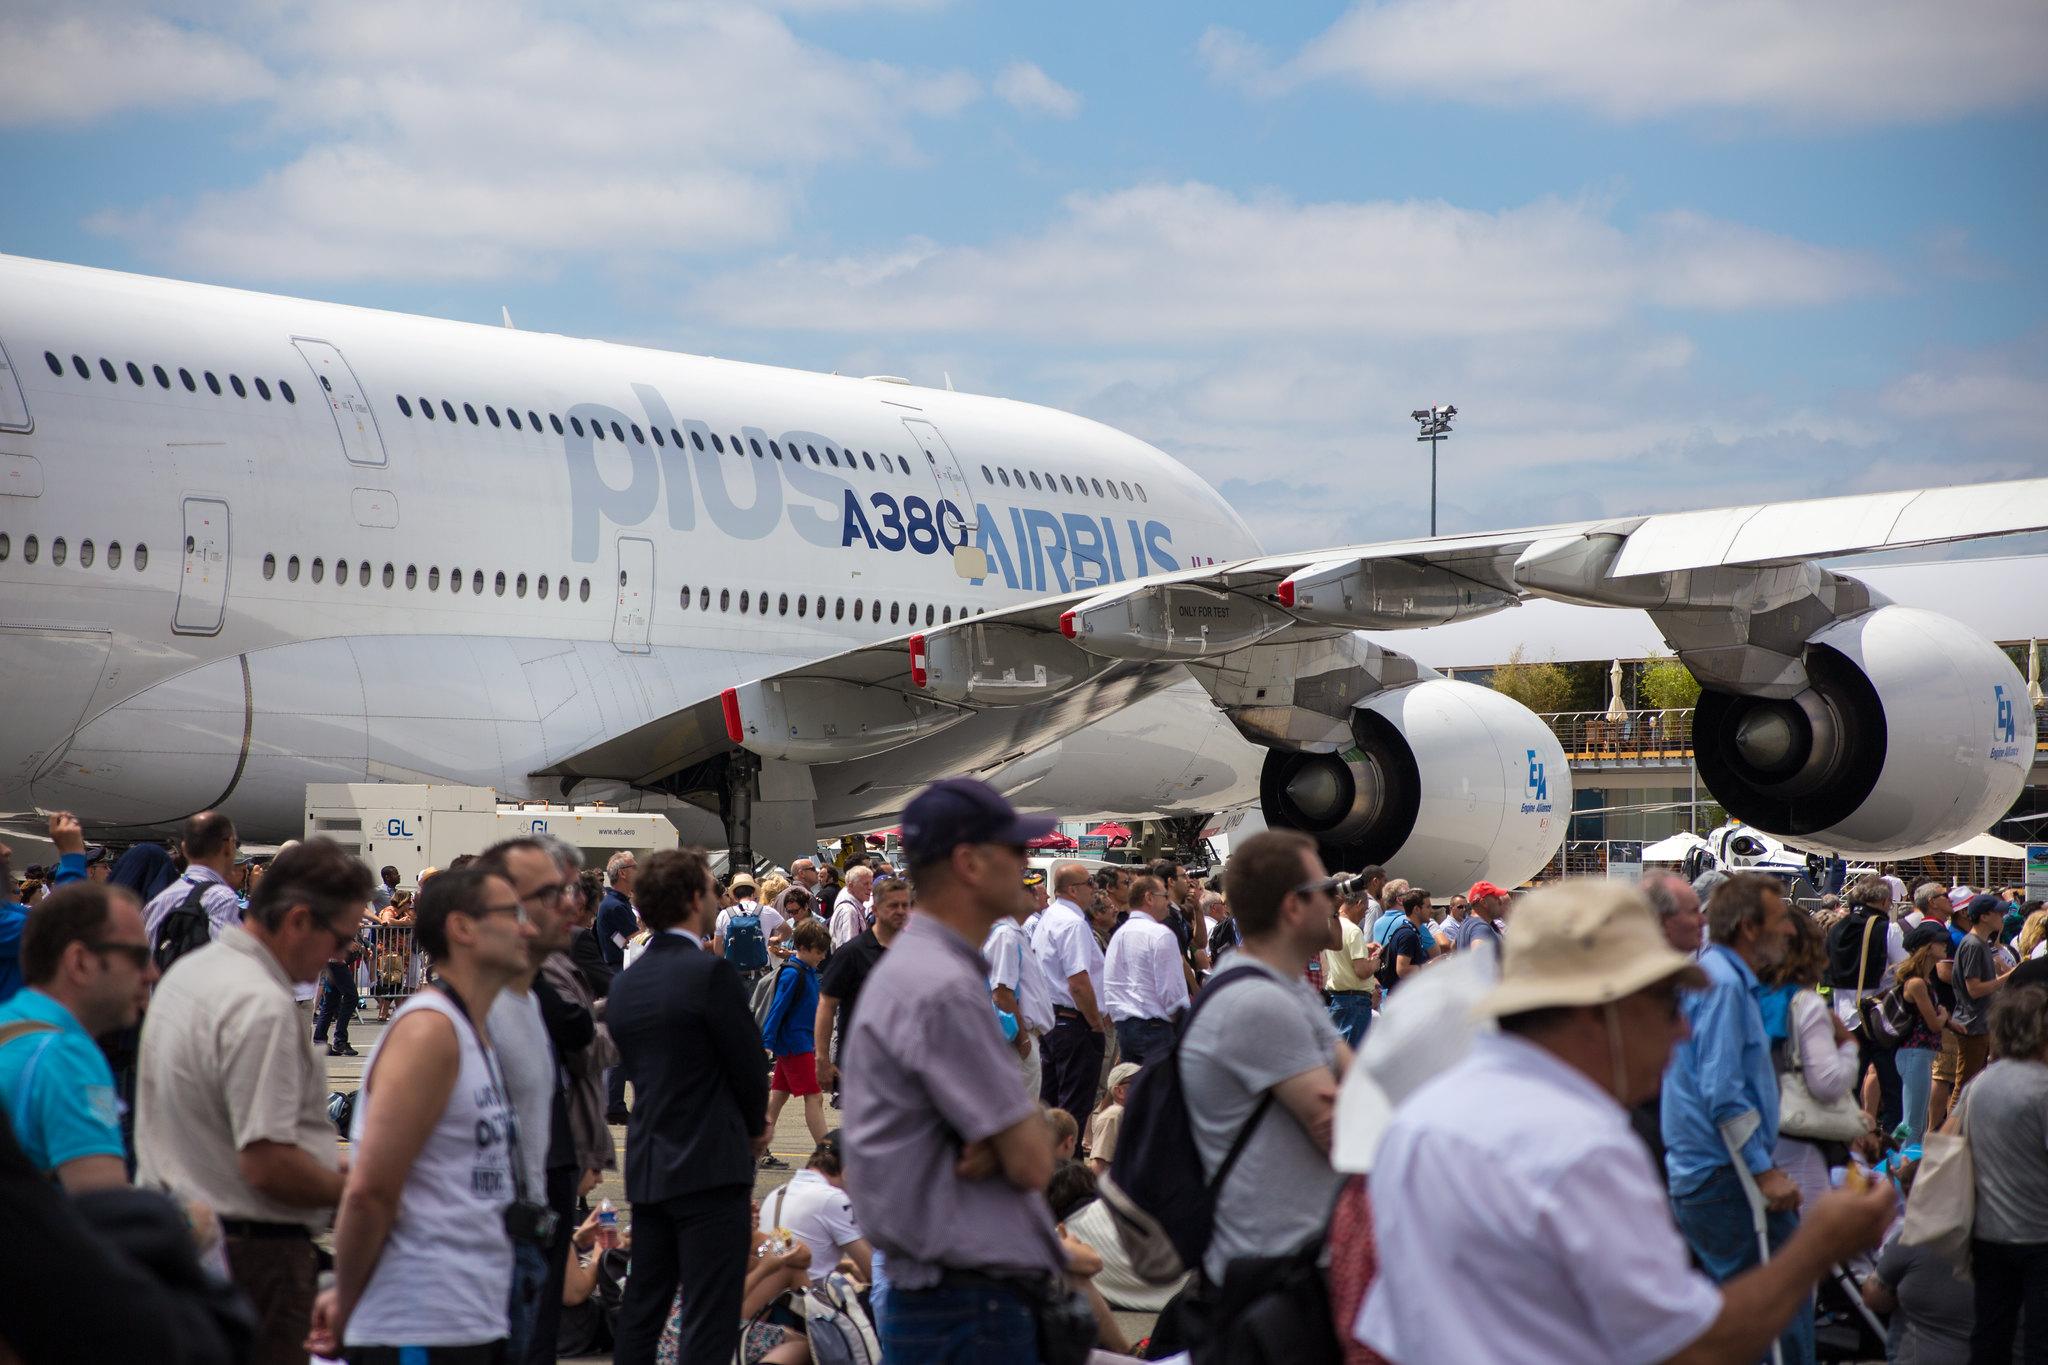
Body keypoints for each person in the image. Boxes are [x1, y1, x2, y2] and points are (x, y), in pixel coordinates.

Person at [1360, 881, 1898, 1364]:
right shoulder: (1583, 1149)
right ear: (1601, 1010)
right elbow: (1693, 1347)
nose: (1684, 1029)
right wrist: (1817, 1249)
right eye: (1666, 1002)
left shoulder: (1424, 1117)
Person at [842, 777, 1065, 1362]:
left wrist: (1003, 1136)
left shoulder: (925, 968)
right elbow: (1035, 1160)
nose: (1028, 864)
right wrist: (1018, 1133)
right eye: (1015, 850)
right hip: (967, 1303)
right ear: (968, 862)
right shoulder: (943, 987)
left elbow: (1014, 1147)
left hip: (949, 1296)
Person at [139, 838, 372, 1365]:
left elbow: (221, 1135)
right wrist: (363, 1190)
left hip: (187, 1243)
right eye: (341, 939)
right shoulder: (260, 1005)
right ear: (297, 921)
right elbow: (267, 1164)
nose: (342, 955)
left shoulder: (192, 975)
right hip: (252, 1258)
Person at [305, 865, 535, 1363]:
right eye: (510, 914)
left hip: (470, 1313)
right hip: (420, 1320)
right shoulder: (427, 1032)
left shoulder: (471, 1026)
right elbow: (370, 1190)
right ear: (462, 928)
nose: (528, 927)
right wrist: (347, 1297)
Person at [605, 848, 771, 1365]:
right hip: (711, 1160)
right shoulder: (710, 973)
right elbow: (747, 1063)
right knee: (709, 1309)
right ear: (695, 898)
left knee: (644, 1305)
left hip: (651, 1160)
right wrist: (753, 1128)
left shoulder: (628, 982)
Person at [1180, 829, 1350, 1291]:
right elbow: (1341, 1126)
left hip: (1291, 1261)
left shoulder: (1286, 986)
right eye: (1326, 891)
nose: (1335, 901)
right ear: (1293, 906)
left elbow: (1355, 1078)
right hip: (1271, 1277)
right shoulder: (1258, 1003)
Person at [1661, 872, 1812, 1365]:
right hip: (1725, 1174)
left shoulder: (1720, 976)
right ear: (1749, 928)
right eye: (1780, 920)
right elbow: (1721, 1090)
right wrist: (1763, 1170)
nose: (1790, 931)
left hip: (1715, 1171)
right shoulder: (1724, 984)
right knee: (1774, 1321)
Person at [473, 838, 583, 1365]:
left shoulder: (528, 1006)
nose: (570, 904)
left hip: (521, 1254)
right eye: (550, 893)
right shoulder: (451, 1021)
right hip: (469, 1279)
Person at [0, 882, 155, 1190]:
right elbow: (109, 1215)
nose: (152, 973)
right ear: (80, 962)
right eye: (138, 956)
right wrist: (188, 1222)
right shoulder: (68, 1056)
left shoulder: (11, 1023)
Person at [1756, 909, 1861, 1212]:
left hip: (1754, 1137)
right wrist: (1848, 1047)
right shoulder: (1805, 1004)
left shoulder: (1747, 993)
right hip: (1797, 1137)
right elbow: (1827, 1083)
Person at [1824, 874, 1905, 1136]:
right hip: (1875, 1015)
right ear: (1883, 901)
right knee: (1892, 1085)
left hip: (1842, 1015)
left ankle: (1845, 1138)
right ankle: (1892, 1141)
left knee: (1848, 1086)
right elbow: (1904, 966)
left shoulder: (1837, 927)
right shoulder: (1886, 928)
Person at [815, 876, 911, 1098]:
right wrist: (822, 1058)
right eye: (893, 905)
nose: (900, 911)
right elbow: (827, 1005)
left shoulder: (914, 950)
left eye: (904, 905)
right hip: (860, 1063)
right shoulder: (852, 953)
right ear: (875, 909)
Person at [1034, 859, 1109, 1136]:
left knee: (1053, 1107)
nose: (1095, 889)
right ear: (1072, 890)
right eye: (1090, 883)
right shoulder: (1072, 923)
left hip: (1054, 1021)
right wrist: (1095, 1023)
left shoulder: (1050, 917)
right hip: (1074, 1022)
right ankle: (1067, 1169)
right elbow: (1078, 982)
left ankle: (1050, 1170)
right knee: (1072, 1112)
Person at [759, 1129, 874, 1284]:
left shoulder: (778, 1193)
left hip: (772, 1298)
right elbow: (872, 1271)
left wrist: (843, 1265)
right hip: (807, 1303)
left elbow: (788, 1257)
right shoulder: (832, 1199)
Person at [1101, 875, 1189, 1068]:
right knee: (1162, 1094)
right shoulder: (1160, 935)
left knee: (1137, 1091)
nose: (1168, 901)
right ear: (1149, 898)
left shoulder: (1119, 935)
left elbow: (1110, 985)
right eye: (1164, 895)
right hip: (1156, 1029)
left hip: (1126, 1030)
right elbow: (1172, 992)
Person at [762, 919, 833, 1160]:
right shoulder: (794, 974)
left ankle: (757, 1147)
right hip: (796, 1045)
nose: (822, 956)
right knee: (814, 1096)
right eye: (818, 951)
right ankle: (827, 1154)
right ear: (804, 948)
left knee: (778, 1097)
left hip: (797, 1044)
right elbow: (777, 1009)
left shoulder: (805, 971)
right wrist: (767, 1043)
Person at [987, 872, 1056, 1098]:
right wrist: (1023, 1041)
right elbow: (1001, 993)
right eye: (1030, 890)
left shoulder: (1013, 932)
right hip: (1017, 1041)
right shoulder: (1005, 935)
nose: (1039, 893)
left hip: (1022, 1039)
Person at [141, 810, 244, 954]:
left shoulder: (158, 901)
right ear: (228, 846)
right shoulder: (221, 899)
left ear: (184, 849)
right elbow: (227, 960)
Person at [1950, 892, 2017, 1107]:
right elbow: (1975, 989)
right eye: (1998, 913)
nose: (2002, 917)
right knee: (1964, 1088)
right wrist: (2008, 977)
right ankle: (1949, 1137)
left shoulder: (1981, 944)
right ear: (1984, 916)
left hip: (1980, 1023)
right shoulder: (1974, 945)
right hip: (1972, 1025)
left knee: (1973, 1087)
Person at [1892, 922, 1953, 1145]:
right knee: (1912, 1120)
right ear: (1927, 948)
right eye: (1939, 942)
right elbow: (1934, 1024)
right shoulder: (1917, 983)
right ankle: (1900, 1162)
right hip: (1914, 1054)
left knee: (1913, 1117)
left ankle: (1898, 1156)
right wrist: (1945, 1015)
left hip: (1921, 1054)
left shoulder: (1925, 981)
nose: (1945, 945)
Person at [597, 853, 639, 1123]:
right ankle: (614, 1104)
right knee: (623, 1043)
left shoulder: (615, 903)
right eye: (635, 867)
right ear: (623, 873)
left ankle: (615, 1102)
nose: (639, 871)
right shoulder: (616, 906)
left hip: (616, 972)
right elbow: (634, 940)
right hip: (619, 972)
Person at [1320, 880, 1379, 1047]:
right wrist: (1375, 963)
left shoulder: (1334, 926)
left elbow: (1338, 949)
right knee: (1350, 1055)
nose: (1364, 914)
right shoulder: (1353, 930)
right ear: (1359, 904)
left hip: (1337, 999)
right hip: (1354, 1002)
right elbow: (1361, 970)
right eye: (1365, 910)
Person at [1372, 887, 1431, 999]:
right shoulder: (1408, 935)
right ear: (1416, 909)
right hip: (1403, 998)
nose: (1431, 910)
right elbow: (1402, 970)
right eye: (1427, 907)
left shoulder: (1408, 931)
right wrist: (1429, 966)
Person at [311, 937, 364, 1056]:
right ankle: (340, 1041)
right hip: (335, 960)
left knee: (331, 1001)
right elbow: (330, 928)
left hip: (333, 959)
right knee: (351, 997)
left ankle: (320, 1041)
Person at [1086, 1062, 1138, 1177]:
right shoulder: (1114, 1115)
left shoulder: (1136, 1115)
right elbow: (1098, 1167)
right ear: (1120, 1091)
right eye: (1139, 1081)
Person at [1450, 880, 1507, 952]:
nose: (1500, 901)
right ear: (1483, 902)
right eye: (1496, 898)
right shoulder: (1480, 927)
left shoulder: (1467, 922)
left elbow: (1453, 946)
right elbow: (1477, 955)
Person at [830, 865, 874, 949]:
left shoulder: (855, 908)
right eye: (865, 884)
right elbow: (847, 948)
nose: (870, 888)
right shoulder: (849, 912)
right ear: (850, 886)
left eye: (871, 883)